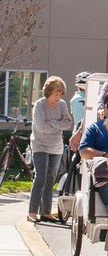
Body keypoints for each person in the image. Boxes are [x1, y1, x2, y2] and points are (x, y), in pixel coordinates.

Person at [28, 76, 73, 223]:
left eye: (60, 94)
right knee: (40, 177)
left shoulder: (62, 105)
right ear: (48, 92)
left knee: (50, 179)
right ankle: (32, 212)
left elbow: (68, 124)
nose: (58, 98)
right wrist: (58, 124)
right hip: (40, 145)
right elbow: (41, 127)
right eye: (55, 94)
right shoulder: (40, 105)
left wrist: (52, 123)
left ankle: (46, 212)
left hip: (56, 147)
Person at [79, 87, 108, 216]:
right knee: (105, 169)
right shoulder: (95, 128)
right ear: (104, 107)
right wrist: (105, 155)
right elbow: (84, 151)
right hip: (105, 168)